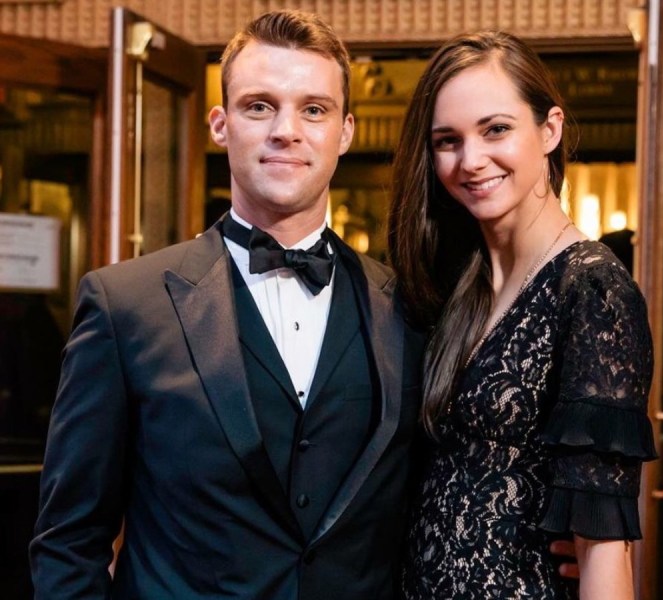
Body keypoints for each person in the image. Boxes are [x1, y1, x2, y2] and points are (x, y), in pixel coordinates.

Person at [29, 10, 425, 599]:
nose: (286, 130)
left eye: (313, 109)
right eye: (259, 105)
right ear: (220, 124)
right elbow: (69, 541)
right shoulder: (124, 306)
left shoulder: (410, 309)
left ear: (345, 131)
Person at [389, 31, 657, 599]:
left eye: (496, 129)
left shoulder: (593, 289)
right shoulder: (457, 282)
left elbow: (603, 547)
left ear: (550, 130)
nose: (470, 160)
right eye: (447, 140)